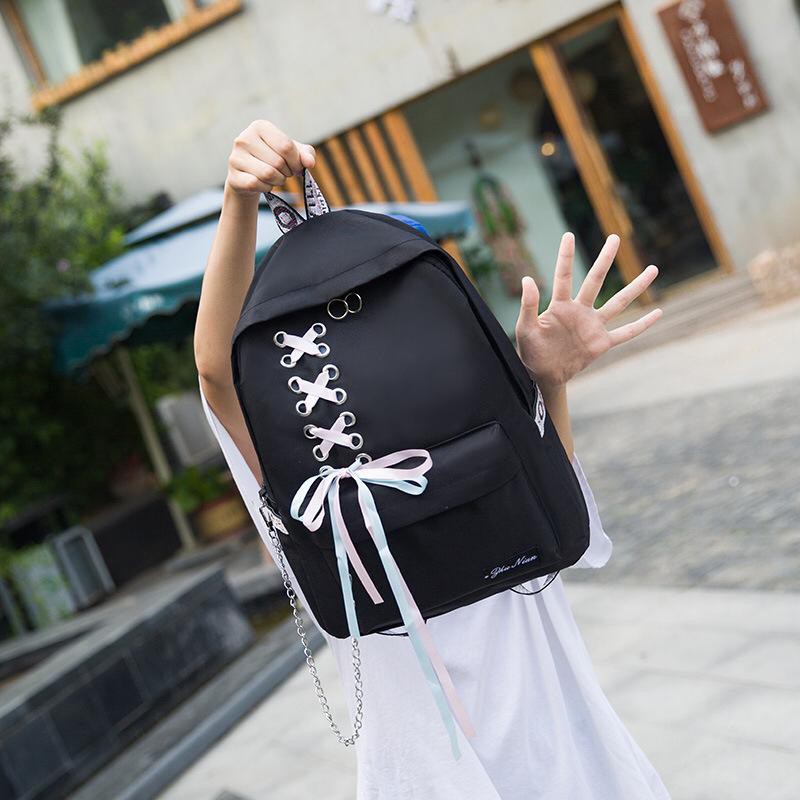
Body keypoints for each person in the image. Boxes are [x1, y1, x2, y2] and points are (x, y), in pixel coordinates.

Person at [195, 119, 671, 799]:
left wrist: (550, 384)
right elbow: (218, 372)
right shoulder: (312, 487)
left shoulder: (477, 456)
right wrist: (238, 200)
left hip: (574, 759)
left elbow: (556, 512)